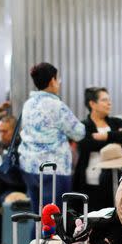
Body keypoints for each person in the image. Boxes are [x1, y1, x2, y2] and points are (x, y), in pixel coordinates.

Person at [19, 62, 85, 212]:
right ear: (52, 81)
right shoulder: (56, 106)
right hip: (53, 169)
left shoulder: (28, 104)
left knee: (37, 215)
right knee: (53, 218)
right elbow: (79, 132)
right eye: (58, 79)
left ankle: (34, 237)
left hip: (29, 167)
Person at [73, 87, 122, 210]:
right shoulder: (83, 126)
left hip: (117, 178)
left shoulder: (117, 122)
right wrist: (115, 139)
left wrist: (106, 135)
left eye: (109, 100)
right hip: (92, 178)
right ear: (92, 104)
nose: (109, 103)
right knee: (95, 216)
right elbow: (87, 144)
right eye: (104, 100)